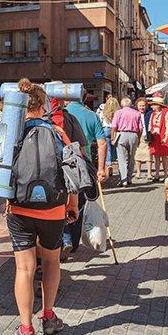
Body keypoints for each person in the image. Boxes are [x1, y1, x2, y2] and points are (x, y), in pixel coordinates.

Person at [0, 78, 77, 335]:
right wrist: (71, 205)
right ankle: (48, 316)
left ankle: (26, 329)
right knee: (51, 262)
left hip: (19, 210)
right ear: (42, 106)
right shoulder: (58, 133)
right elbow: (72, 173)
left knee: (24, 269)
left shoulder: (10, 134)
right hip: (54, 209)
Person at [63, 90, 107, 260]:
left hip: (61, 165)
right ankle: (73, 243)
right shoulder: (92, 116)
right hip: (82, 167)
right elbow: (102, 144)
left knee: (62, 203)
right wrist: (100, 169)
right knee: (79, 204)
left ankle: (64, 239)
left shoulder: (60, 115)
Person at [110, 97, 143, 187]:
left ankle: (123, 180)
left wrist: (112, 138)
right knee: (131, 158)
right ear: (131, 104)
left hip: (121, 135)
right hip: (133, 135)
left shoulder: (118, 113)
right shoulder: (137, 113)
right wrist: (139, 139)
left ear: (122, 105)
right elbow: (140, 128)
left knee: (122, 159)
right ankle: (129, 178)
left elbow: (114, 127)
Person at [149, 97, 168, 182]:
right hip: (155, 137)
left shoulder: (167, 113)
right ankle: (157, 174)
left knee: (164, 156)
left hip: (163, 136)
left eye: (153, 105)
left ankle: (166, 174)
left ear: (158, 105)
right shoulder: (153, 114)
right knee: (156, 156)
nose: (151, 106)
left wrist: (166, 137)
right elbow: (150, 124)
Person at [99, 95, 120, 177]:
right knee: (115, 147)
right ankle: (114, 160)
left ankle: (109, 163)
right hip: (115, 130)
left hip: (105, 129)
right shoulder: (118, 112)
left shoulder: (103, 110)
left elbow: (100, 119)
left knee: (107, 148)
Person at [133, 98, 154, 180]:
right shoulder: (134, 114)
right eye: (140, 106)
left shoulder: (150, 113)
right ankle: (138, 172)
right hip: (138, 135)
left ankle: (149, 173)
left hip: (147, 135)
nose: (142, 107)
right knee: (138, 154)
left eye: (143, 106)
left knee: (148, 154)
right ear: (137, 106)